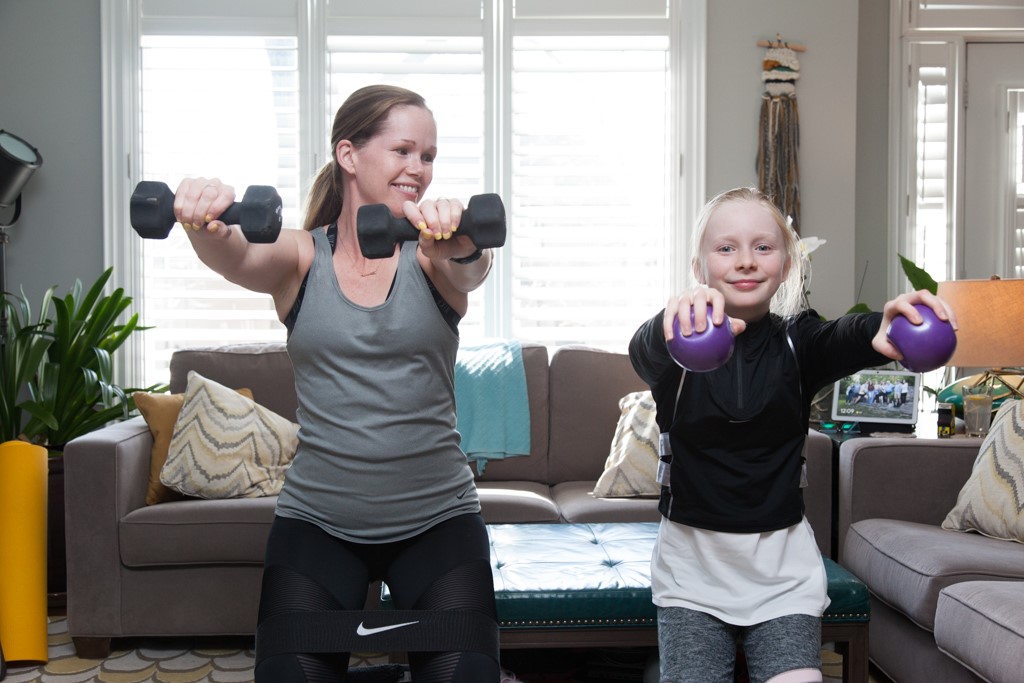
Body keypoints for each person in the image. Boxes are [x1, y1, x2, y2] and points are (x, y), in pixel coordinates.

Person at [172, 84, 501, 683]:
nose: (419, 169)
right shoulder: (301, 257)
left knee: (466, 674)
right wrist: (204, 223)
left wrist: (465, 244)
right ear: (349, 155)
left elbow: (471, 268)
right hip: (319, 521)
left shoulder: (432, 256)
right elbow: (239, 258)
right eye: (403, 150)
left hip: (438, 517)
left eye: (428, 156)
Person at [628, 187, 956, 683]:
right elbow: (643, 351)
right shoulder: (676, 345)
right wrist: (671, 322)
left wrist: (880, 329)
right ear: (699, 268)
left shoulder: (796, 340)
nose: (745, 262)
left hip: (782, 575)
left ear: (785, 265)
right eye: (725, 248)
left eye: (763, 247)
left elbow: (840, 338)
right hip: (690, 575)